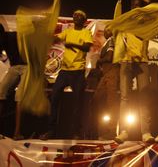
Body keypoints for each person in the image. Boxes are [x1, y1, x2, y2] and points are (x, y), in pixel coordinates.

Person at [40, 10, 94, 140]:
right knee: (54, 98)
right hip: (64, 71)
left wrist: (73, 44)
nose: (76, 16)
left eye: (79, 15)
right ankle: (51, 130)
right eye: (74, 15)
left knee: (78, 103)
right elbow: (55, 38)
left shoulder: (86, 32)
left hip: (78, 72)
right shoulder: (68, 31)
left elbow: (87, 47)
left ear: (84, 20)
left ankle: (77, 132)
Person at [114, 0, 154, 143]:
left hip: (142, 61)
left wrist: (148, 2)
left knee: (144, 97)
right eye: (134, 6)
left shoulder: (146, 21)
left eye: (139, 6)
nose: (136, 8)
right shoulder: (124, 20)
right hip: (126, 61)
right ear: (131, 7)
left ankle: (146, 132)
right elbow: (112, 32)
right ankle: (124, 131)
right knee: (125, 97)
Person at [92, 27, 120, 140]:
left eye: (109, 29)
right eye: (105, 29)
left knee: (111, 102)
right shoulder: (108, 42)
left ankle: (112, 131)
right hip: (106, 74)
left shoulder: (112, 40)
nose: (106, 31)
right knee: (96, 101)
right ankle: (99, 129)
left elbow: (109, 57)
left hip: (112, 72)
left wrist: (99, 61)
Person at [0, 24, 27, 140]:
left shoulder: (13, 36)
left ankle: (17, 133)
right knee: (0, 92)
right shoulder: (1, 42)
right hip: (14, 67)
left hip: (27, 67)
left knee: (19, 96)